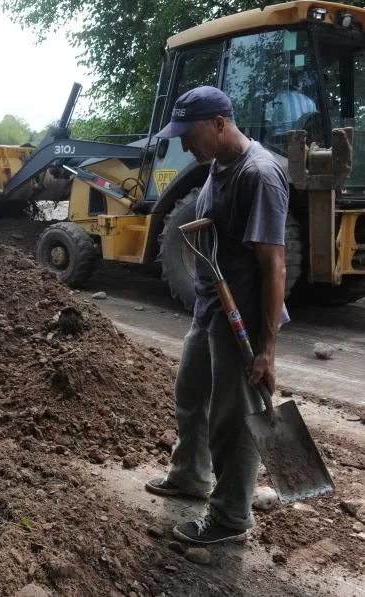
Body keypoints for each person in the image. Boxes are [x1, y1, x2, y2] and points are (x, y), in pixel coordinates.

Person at [145, 86, 289, 545]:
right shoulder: (216, 166)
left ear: (220, 125)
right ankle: (190, 474)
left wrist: (267, 349)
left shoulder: (260, 174)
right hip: (209, 307)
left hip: (240, 316)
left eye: (189, 134)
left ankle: (230, 517)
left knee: (233, 416)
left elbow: (274, 263)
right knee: (191, 391)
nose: (184, 144)